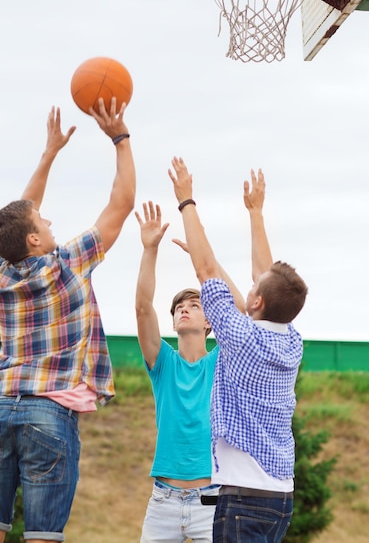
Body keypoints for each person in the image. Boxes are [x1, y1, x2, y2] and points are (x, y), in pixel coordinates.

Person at [0, 98, 136, 543]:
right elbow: (121, 205)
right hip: (48, 412)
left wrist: (48, 153)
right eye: (44, 221)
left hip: (1, 403)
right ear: (35, 239)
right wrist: (120, 138)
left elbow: (17, 219)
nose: (49, 218)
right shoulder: (67, 263)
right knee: (42, 536)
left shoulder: (2, 273)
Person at [168, 157, 308, 543]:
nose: (246, 288)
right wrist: (256, 213)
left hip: (243, 498)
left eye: (252, 289)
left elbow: (207, 271)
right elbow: (266, 276)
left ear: (259, 301)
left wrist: (186, 202)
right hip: (281, 496)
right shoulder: (290, 339)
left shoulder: (241, 337)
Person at [135, 200, 245, 543]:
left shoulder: (221, 361)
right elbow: (142, 308)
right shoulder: (163, 363)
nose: (184, 310)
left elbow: (240, 311)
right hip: (163, 501)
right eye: (179, 308)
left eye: (194, 306)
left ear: (209, 321)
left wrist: (204, 263)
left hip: (211, 501)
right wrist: (150, 249)